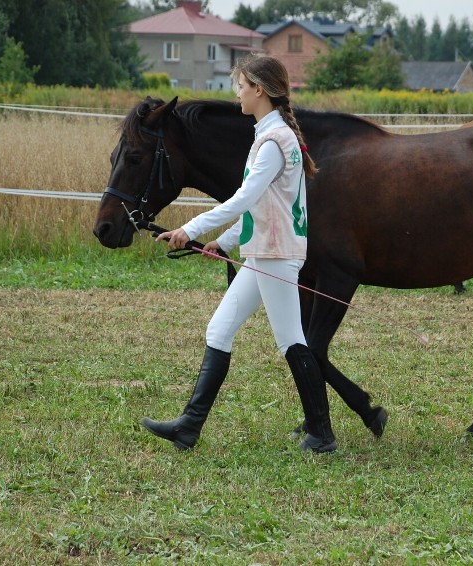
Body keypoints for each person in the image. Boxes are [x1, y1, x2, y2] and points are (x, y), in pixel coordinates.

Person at [141, 55, 337, 453]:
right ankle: (189, 428)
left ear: (259, 90)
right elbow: (262, 206)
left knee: (291, 341)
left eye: (241, 86)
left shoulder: (273, 141)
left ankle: (321, 435)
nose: (237, 94)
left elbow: (243, 198)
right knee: (219, 330)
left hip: (275, 255)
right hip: (264, 251)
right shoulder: (275, 136)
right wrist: (224, 242)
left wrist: (190, 229)